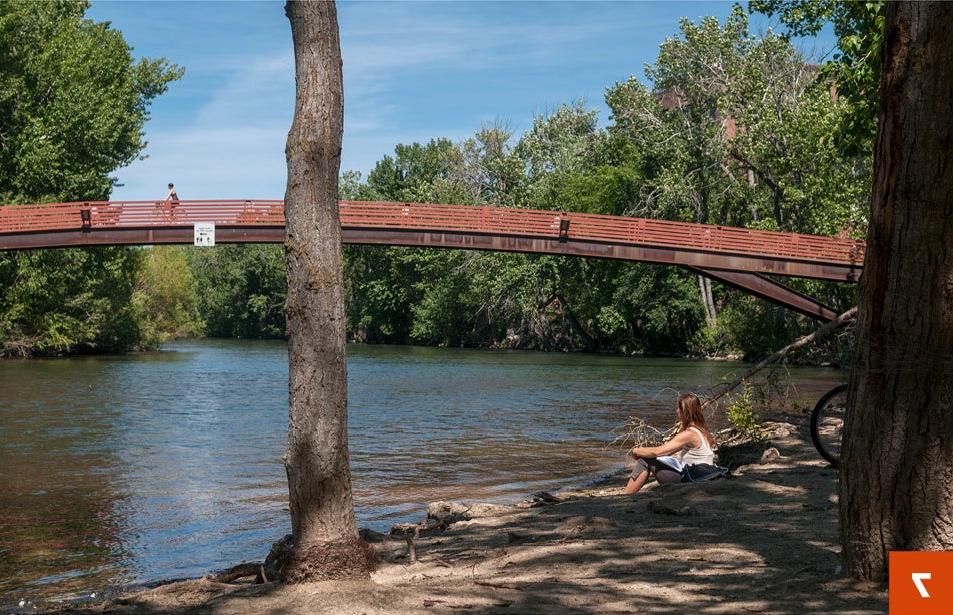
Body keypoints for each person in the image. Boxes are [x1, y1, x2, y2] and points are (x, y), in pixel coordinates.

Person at [624, 393, 718, 494]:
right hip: (702, 475)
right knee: (653, 458)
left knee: (645, 460)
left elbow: (657, 452)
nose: (676, 411)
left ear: (685, 411)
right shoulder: (702, 431)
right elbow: (667, 452)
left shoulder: (689, 434)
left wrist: (636, 451)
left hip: (692, 479)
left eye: (678, 408)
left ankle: (627, 495)